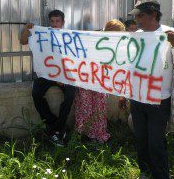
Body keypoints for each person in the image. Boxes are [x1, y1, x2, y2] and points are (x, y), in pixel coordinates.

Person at [128, 0, 174, 179]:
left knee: (156, 142)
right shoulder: (136, 36)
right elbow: (127, 64)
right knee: (141, 139)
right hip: (137, 97)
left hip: (159, 99)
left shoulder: (169, 34)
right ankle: (145, 171)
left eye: (140, 15)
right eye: (135, 15)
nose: (136, 19)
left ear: (153, 14)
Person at [20, 9, 76, 147]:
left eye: (57, 21)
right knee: (36, 93)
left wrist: (61, 77)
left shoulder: (69, 36)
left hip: (63, 74)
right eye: (52, 21)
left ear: (63, 22)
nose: (54, 24)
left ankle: (55, 129)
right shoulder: (43, 33)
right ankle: (55, 127)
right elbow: (23, 41)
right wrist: (27, 30)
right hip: (46, 73)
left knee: (70, 94)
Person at [74, 19, 126, 143]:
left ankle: (97, 134)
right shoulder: (93, 39)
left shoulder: (114, 44)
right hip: (86, 79)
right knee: (85, 107)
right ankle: (83, 135)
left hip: (101, 81)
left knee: (99, 108)